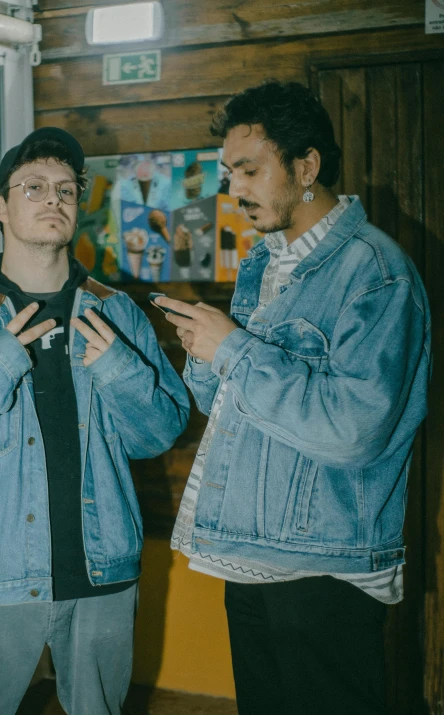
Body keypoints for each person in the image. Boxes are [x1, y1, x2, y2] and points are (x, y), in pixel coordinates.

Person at [0, 126, 190, 715]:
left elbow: (159, 432)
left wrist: (120, 371)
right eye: (33, 187)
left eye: (65, 189)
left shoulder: (117, 312)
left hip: (102, 574)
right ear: (1, 205)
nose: (53, 198)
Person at [157, 81, 431, 715]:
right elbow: (241, 409)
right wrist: (206, 354)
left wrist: (234, 350)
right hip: (251, 552)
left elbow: (354, 428)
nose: (234, 190)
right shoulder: (264, 262)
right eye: (229, 173)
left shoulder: (376, 273)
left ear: (307, 167)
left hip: (324, 569)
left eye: (249, 170)